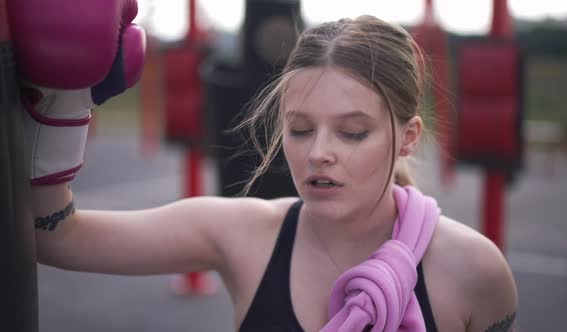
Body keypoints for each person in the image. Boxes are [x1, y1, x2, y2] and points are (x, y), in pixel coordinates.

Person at [16, 1, 517, 330]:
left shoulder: (474, 271)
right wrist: (64, 101)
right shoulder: (243, 233)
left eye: (352, 131)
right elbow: (54, 235)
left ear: (408, 138)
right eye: (299, 129)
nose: (319, 150)